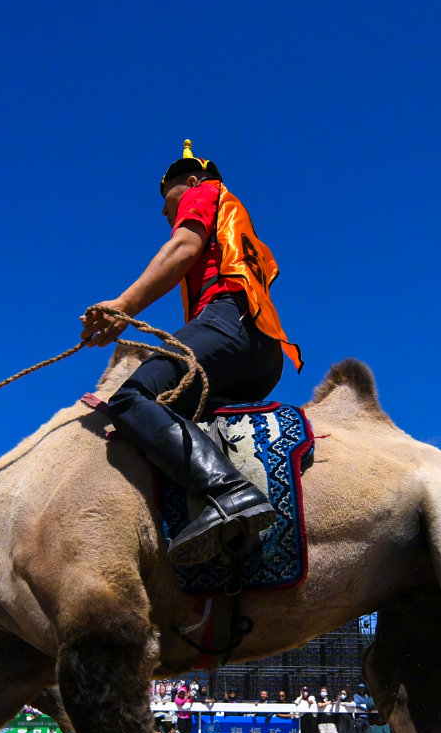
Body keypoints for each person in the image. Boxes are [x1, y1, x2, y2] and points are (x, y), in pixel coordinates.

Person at [79, 141, 301, 566]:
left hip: (227, 321)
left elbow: (182, 249)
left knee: (132, 400)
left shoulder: (205, 192)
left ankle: (229, 493)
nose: (168, 217)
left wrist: (123, 307)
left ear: (192, 182)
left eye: (168, 205)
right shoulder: (238, 220)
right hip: (262, 347)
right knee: (179, 417)